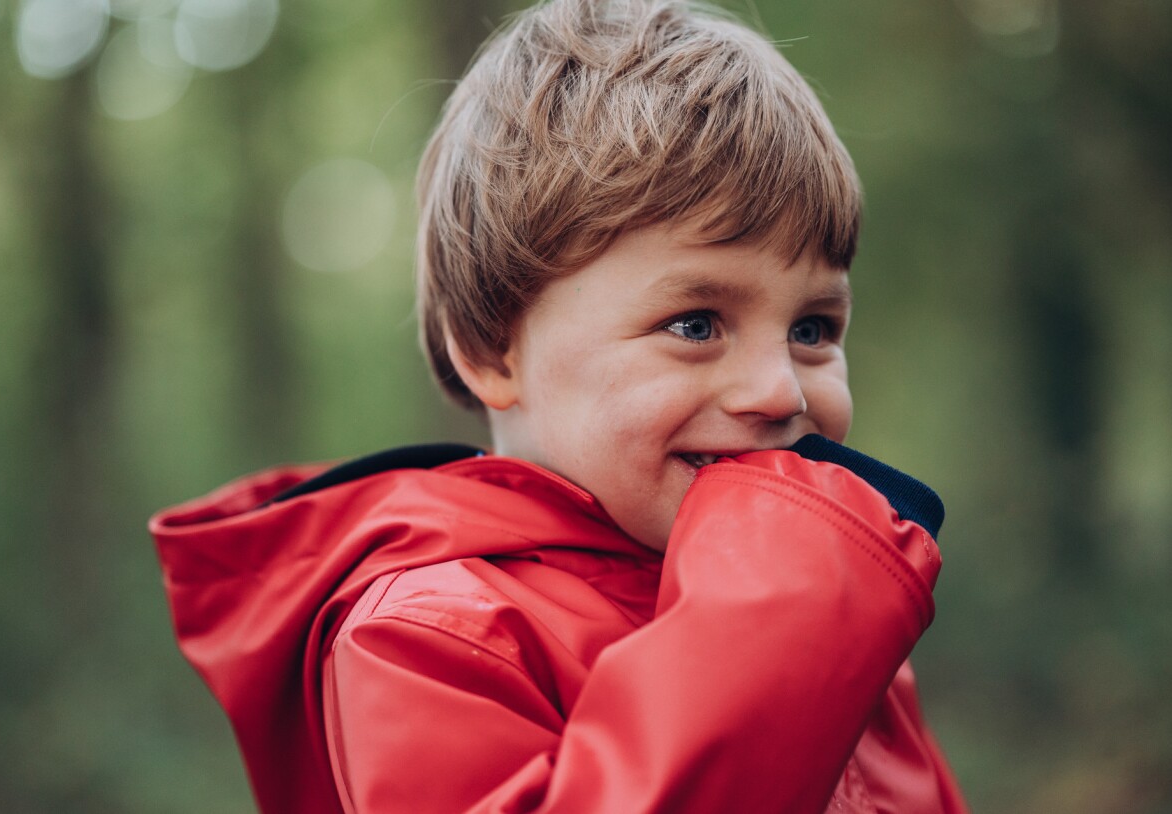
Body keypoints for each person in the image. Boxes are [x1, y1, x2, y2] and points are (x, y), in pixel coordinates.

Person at [151, 0, 969, 811]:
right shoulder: (431, 638)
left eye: (813, 328)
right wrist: (775, 633)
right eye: (695, 324)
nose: (780, 390)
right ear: (491, 350)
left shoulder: (842, 607)